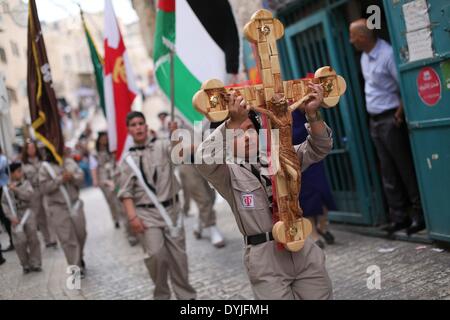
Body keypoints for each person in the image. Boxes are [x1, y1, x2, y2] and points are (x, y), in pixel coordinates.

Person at [195, 83, 333, 299]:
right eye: (238, 134)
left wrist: (313, 114)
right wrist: (233, 121)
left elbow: (319, 147)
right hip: (265, 257)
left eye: (249, 129)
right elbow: (203, 160)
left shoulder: (282, 156)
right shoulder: (227, 174)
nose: (247, 136)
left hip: (302, 246)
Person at [349, 19, 425, 235]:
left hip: (391, 119)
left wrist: (398, 115)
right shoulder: (364, 56)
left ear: (363, 37)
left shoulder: (387, 54)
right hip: (375, 121)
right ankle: (399, 217)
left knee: (405, 169)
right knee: (388, 172)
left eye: (353, 35)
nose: (350, 40)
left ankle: (418, 215)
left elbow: (405, 88)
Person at [118, 111, 196, 300]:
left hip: (172, 211)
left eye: (140, 123)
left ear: (146, 126)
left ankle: (186, 298)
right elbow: (126, 193)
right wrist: (133, 218)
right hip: (147, 214)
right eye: (134, 125)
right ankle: (161, 295)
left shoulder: (162, 145)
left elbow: (179, 155)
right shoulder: (128, 160)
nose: (138, 127)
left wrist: (175, 135)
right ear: (129, 131)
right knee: (156, 256)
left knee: (179, 258)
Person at [38, 147, 88, 276]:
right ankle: (76, 269)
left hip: (75, 204)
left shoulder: (69, 162)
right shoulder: (45, 167)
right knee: (67, 239)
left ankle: (79, 257)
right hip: (58, 207)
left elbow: (81, 178)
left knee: (81, 234)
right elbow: (44, 188)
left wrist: (72, 177)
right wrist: (60, 179)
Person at [292, 110, 336, 248]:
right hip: (291, 154)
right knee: (306, 194)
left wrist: (311, 112)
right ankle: (312, 232)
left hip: (310, 150)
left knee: (321, 190)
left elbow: (322, 143)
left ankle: (322, 225)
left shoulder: (301, 103)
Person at [91, 132, 138, 246]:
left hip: (117, 179)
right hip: (105, 182)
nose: (105, 141)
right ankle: (121, 224)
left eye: (106, 138)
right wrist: (96, 180)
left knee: (124, 204)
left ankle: (131, 231)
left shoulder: (112, 150)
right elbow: (93, 167)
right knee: (113, 203)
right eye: (102, 139)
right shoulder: (95, 154)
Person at [1, 162, 42, 273]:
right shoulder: (6, 189)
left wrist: (16, 190)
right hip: (15, 216)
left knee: (33, 238)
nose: (21, 173)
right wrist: (11, 217)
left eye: (21, 170)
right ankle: (25, 264)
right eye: (18, 171)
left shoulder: (26, 184)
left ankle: (36, 262)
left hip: (27, 213)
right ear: (12, 174)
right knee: (20, 242)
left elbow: (29, 196)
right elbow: (4, 204)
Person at [21, 140, 58, 248]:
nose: (32, 150)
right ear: (26, 150)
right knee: (40, 217)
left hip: (45, 188)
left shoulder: (42, 160)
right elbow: (24, 180)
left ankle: (53, 237)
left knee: (49, 213)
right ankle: (47, 239)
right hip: (34, 191)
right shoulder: (24, 164)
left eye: (33, 147)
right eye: (29, 148)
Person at [0, 146, 14, 252]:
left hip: (3, 189)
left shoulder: (3, 159)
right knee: (2, 218)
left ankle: (13, 240)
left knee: (6, 216)